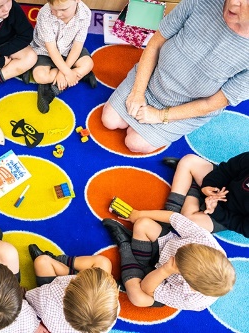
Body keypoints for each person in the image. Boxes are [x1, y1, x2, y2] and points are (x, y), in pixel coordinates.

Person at [100, 0, 249, 153]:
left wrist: (160, 115)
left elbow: (212, 103)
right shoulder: (201, 2)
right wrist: (137, 92)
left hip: (186, 107)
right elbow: (155, 43)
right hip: (153, 79)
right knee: (109, 120)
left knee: (134, 143)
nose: (234, 3)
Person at [103, 209, 236, 311]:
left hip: (159, 283)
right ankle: (134, 266)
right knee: (143, 223)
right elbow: (174, 218)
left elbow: (146, 288)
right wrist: (139, 214)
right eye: (187, 246)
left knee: (138, 298)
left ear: (186, 278)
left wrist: (164, 270)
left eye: (177, 258)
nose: (183, 246)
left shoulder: (189, 298)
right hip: (165, 245)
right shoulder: (206, 241)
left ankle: (125, 246)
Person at [25, 244, 119, 333]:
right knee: (103, 263)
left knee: (41, 261)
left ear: (68, 288)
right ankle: (64, 264)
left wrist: (35, 325)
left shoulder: (48, 296)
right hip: (69, 288)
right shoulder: (110, 311)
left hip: (55, 287)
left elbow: (28, 301)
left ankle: (61, 262)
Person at [31, 0, 97, 113]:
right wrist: (68, 72)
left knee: (88, 63)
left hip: (69, 49)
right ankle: (78, 75)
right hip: (45, 51)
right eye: (54, 9)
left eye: (63, 9)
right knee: (40, 76)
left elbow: (78, 45)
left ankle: (52, 88)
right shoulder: (44, 14)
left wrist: (63, 73)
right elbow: (51, 49)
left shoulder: (85, 13)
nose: (58, 14)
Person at [163, 153, 249, 237]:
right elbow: (227, 170)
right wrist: (208, 184)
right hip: (219, 184)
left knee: (187, 223)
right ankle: (171, 210)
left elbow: (240, 225)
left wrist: (216, 210)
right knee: (189, 160)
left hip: (226, 214)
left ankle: (193, 185)